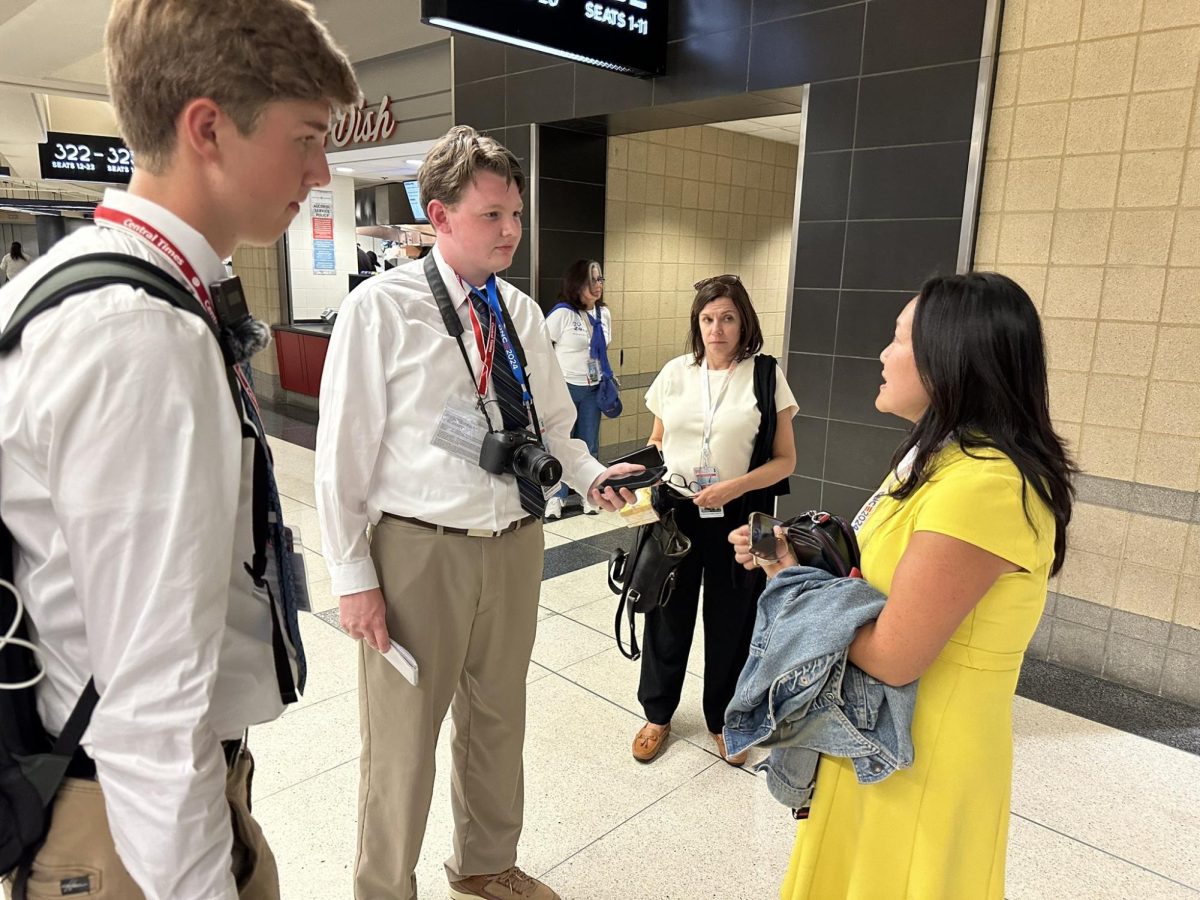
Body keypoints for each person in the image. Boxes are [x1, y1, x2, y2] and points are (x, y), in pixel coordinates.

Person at [0, 1, 358, 897]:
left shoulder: (79, 283)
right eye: (307, 137)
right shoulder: (138, 335)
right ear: (208, 127)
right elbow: (151, 701)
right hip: (125, 830)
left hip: (120, 796)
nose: (320, 169)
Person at [315, 125, 640, 900]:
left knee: (499, 719)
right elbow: (343, 455)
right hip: (419, 551)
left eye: (516, 215)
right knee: (401, 742)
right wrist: (353, 576)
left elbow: (559, 428)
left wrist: (594, 476)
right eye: (493, 215)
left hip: (516, 541)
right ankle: (384, 888)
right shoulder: (382, 310)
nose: (511, 231)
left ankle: (486, 864)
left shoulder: (522, 314)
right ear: (441, 215)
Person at [732, 273, 1075, 900]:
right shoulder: (941, 459)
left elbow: (893, 654)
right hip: (881, 734)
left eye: (898, 339)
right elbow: (880, 583)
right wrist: (797, 556)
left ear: (951, 359)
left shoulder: (985, 485)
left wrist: (792, 583)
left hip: (924, 754)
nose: (883, 355)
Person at [631, 274, 798, 766]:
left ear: (744, 320)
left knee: (733, 621)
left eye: (727, 318)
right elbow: (658, 441)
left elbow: (785, 460)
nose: (716, 329)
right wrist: (646, 482)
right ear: (696, 324)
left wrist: (734, 486)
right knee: (667, 614)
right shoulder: (676, 373)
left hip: (741, 518)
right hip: (677, 514)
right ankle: (657, 714)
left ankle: (724, 718)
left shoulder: (766, 375)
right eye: (707, 319)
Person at [544, 258, 611, 519]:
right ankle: (556, 497)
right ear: (577, 284)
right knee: (559, 444)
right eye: (592, 279)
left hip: (594, 389)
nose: (598, 285)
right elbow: (542, 348)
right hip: (565, 389)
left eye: (600, 279)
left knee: (589, 442)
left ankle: (588, 494)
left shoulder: (603, 314)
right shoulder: (562, 314)